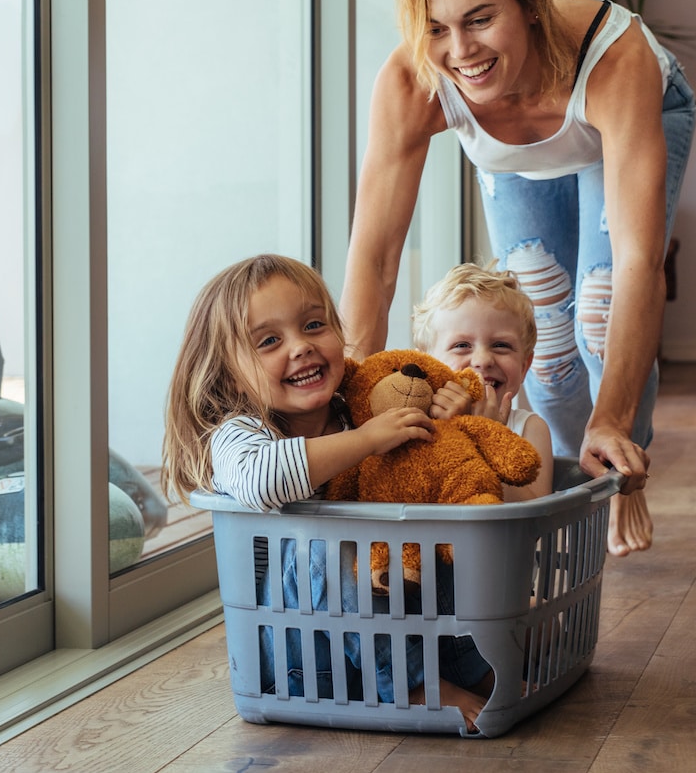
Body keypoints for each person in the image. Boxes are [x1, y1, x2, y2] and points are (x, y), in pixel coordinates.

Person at [341, 0, 696, 557]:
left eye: (480, 19)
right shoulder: (413, 79)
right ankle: (566, 485)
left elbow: (640, 260)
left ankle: (618, 467)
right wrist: (349, 404)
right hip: (519, 159)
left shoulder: (616, 57)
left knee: (596, 306)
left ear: (529, 5)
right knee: (548, 345)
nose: (461, 51)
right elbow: (374, 257)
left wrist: (614, 417)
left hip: (624, 120)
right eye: (437, 29)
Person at [161, 253, 495, 730]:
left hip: (386, 646)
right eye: (270, 341)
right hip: (304, 662)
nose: (301, 347)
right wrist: (367, 440)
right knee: (328, 540)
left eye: (315, 325)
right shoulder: (239, 434)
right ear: (228, 372)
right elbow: (263, 480)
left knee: (429, 529)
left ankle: (469, 669)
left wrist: (446, 415)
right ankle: (415, 684)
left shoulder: (360, 408)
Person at [411, 261, 554, 501]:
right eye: (462, 346)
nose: (483, 360)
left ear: (524, 365)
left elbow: (534, 513)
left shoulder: (529, 429)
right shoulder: (415, 421)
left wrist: (486, 436)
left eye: (501, 345)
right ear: (427, 362)